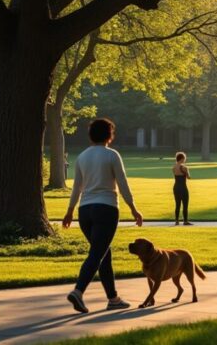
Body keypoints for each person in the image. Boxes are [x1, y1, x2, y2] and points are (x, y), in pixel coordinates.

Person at [63, 118, 143, 314]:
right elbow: (123, 185)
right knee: (97, 254)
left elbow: (76, 187)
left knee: (103, 254)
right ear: (109, 135)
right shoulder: (112, 155)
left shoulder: (82, 157)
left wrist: (70, 211)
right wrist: (133, 209)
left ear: (91, 135)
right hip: (106, 209)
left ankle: (113, 298)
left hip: (85, 211)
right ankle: (78, 291)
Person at [172, 152, 192, 226]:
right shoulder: (184, 167)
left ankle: (177, 221)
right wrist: (187, 171)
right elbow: (188, 177)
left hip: (176, 187)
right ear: (182, 158)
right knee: (185, 204)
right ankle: (185, 220)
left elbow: (176, 175)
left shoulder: (174, 167)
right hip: (183, 187)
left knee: (177, 204)